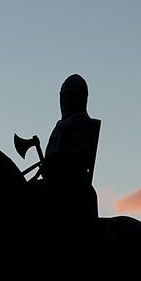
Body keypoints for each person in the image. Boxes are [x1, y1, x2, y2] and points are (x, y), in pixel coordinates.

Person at [42, 74, 100, 227]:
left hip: (71, 186)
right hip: (53, 183)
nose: (65, 101)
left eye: (70, 96)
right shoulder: (60, 125)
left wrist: (57, 158)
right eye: (63, 96)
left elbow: (85, 154)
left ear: (80, 98)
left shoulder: (81, 122)